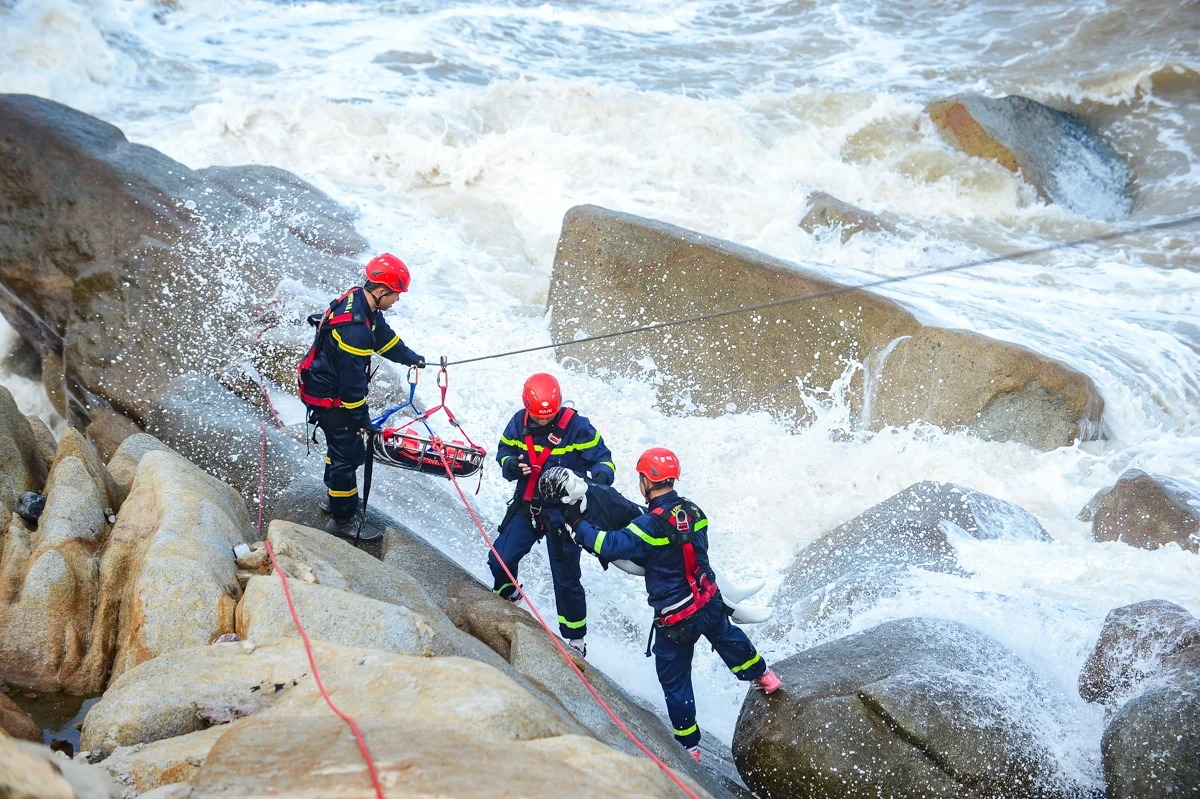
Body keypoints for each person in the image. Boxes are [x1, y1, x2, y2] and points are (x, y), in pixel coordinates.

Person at [544, 447, 781, 763]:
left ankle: (690, 748)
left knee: (675, 679)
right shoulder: (695, 512)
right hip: (709, 602)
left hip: (676, 618)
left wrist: (577, 523)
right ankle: (765, 676)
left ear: (645, 481)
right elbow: (689, 549)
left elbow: (609, 545)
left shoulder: (648, 526)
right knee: (730, 640)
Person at [297, 253, 425, 540]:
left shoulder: (359, 301)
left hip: (321, 386)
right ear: (380, 292)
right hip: (330, 397)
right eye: (396, 295)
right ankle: (342, 520)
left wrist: (411, 358)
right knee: (348, 454)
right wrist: (361, 418)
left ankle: (332, 497)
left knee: (341, 445)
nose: (397, 301)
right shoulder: (356, 331)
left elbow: (384, 338)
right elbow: (352, 384)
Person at [492, 372, 615, 657]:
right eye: (538, 417)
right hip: (529, 506)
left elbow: (603, 458)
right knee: (499, 560)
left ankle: (576, 640)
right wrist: (511, 465)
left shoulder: (578, 427)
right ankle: (510, 595)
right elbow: (503, 452)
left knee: (566, 578)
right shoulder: (517, 422)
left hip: (564, 513)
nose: (544, 421)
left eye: (549, 416)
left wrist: (599, 480)